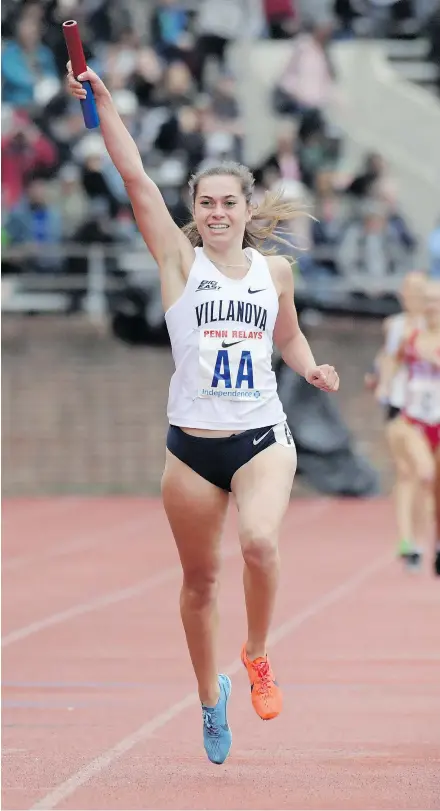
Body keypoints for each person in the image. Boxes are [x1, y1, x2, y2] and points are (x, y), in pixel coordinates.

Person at [66, 63, 340, 765]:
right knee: (198, 583)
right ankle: (210, 698)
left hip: (259, 436)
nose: (218, 212)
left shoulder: (273, 273)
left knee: (259, 542)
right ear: (195, 208)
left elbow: (288, 334)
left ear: (248, 209)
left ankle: (256, 653)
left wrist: (309, 365)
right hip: (190, 446)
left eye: (229, 202)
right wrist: (103, 101)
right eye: (207, 202)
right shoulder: (178, 262)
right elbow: (134, 179)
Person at [370, 272, 426, 565]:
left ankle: (421, 532)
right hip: (400, 405)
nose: (412, 296)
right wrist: (380, 380)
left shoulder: (433, 326)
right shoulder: (394, 326)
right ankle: (407, 539)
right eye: (407, 290)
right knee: (406, 472)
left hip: (429, 410)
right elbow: (386, 357)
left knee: (425, 476)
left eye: (418, 290)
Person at [387, 280, 440, 576]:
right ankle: (414, 542)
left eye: (436, 300)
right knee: (421, 473)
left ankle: (431, 542)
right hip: (415, 420)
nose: (431, 305)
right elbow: (392, 361)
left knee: (434, 487)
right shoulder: (412, 336)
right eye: (428, 300)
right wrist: (384, 384)